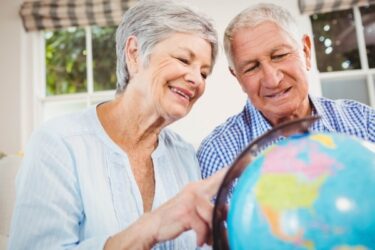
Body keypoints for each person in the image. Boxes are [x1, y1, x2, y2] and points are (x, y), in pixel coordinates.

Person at [8, 1, 224, 249]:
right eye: (184, 59)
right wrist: (148, 229)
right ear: (134, 53)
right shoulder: (58, 143)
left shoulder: (185, 155)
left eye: (204, 73)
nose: (196, 79)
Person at [197, 3, 375, 179]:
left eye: (280, 56)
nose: (272, 80)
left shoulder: (365, 123)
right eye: (251, 68)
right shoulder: (217, 154)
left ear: (305, 51)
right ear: (237, 77)